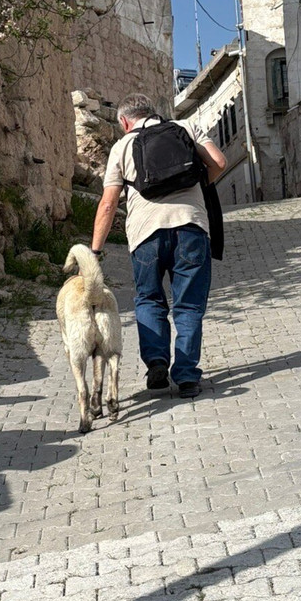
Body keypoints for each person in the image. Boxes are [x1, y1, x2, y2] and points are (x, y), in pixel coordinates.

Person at [89, 93, 227, 398]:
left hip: (145, 234)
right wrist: (200, 185)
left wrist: (95, 251)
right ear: (154, 113)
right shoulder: (186, 128)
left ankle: (157, 363)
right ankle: (188, 376)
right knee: (188, 304)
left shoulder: (122, 146)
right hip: (191, 227)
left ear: (125, 121)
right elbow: (219, 161)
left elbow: (109, 202)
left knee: (150, 299)